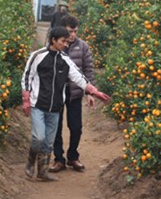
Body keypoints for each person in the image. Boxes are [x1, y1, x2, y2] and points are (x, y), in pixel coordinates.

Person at [21, 26, 111, 181]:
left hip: (55, 107)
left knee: (48, 142)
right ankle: (30, 162)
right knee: (38, 137)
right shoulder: (37, 56)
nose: (66, 44)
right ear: (54, 40)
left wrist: (93, 91)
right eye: (63, 41)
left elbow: (79, 77)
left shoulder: (65, 60)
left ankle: (42, 172)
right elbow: (27, 76)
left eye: (67, 42)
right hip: (38, 104)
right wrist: (26, 99)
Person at [49, 16, 96, 173]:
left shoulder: (82, 46)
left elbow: (88, 69)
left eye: (75, 31)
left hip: (75, 92)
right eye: (70, 31)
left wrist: (90, 92)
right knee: (56, 126)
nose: (73, 35)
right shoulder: (54, 46)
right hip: (57, 92)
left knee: (76, 127)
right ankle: (59, 159)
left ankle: (73, 157)